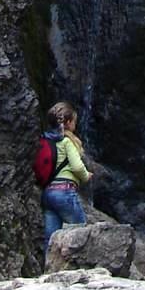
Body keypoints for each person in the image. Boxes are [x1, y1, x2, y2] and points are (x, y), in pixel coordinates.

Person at [40, 101, 92, 259]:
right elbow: (76, 166)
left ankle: (47, 271)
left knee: (50, 239)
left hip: (48, 194)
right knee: (81, 231)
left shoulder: (47, 140)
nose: (75, 124)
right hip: (64, 192)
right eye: (74, 121)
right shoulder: (67, 141)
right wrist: (86, 175)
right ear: (68, 122)